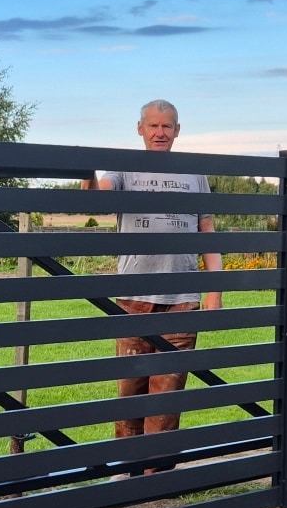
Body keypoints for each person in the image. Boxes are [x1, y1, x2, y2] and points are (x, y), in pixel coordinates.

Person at [92, 100, 222, 462]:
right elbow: (99, 201)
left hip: (182, 300)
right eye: (153, 126)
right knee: (130, 391)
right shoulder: (124, 169)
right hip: (134, 298)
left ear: (178, 130)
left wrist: (215, 288)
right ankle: (127, 470)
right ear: (140, 129)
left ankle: (156, 478)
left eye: (167, 127)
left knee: (166, 397)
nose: (160, 133)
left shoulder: (195, 173)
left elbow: (206, 228)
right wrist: (85, 173)